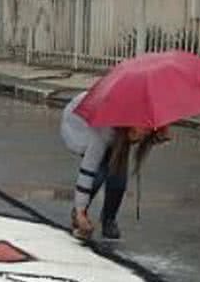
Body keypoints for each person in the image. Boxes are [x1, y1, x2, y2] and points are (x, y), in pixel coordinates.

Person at [62, 91, 171, 241]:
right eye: (143, 130)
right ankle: (80, 213)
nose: (144, 134)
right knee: (98, 173)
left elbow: (140, 136)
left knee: (118, 178)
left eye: (148, 130)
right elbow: (88, 170)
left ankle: (109, 219)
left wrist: (157, 135)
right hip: (79, 124)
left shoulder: (142, 118)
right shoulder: (105, 129)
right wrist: (80, 209)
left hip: (114, 132)